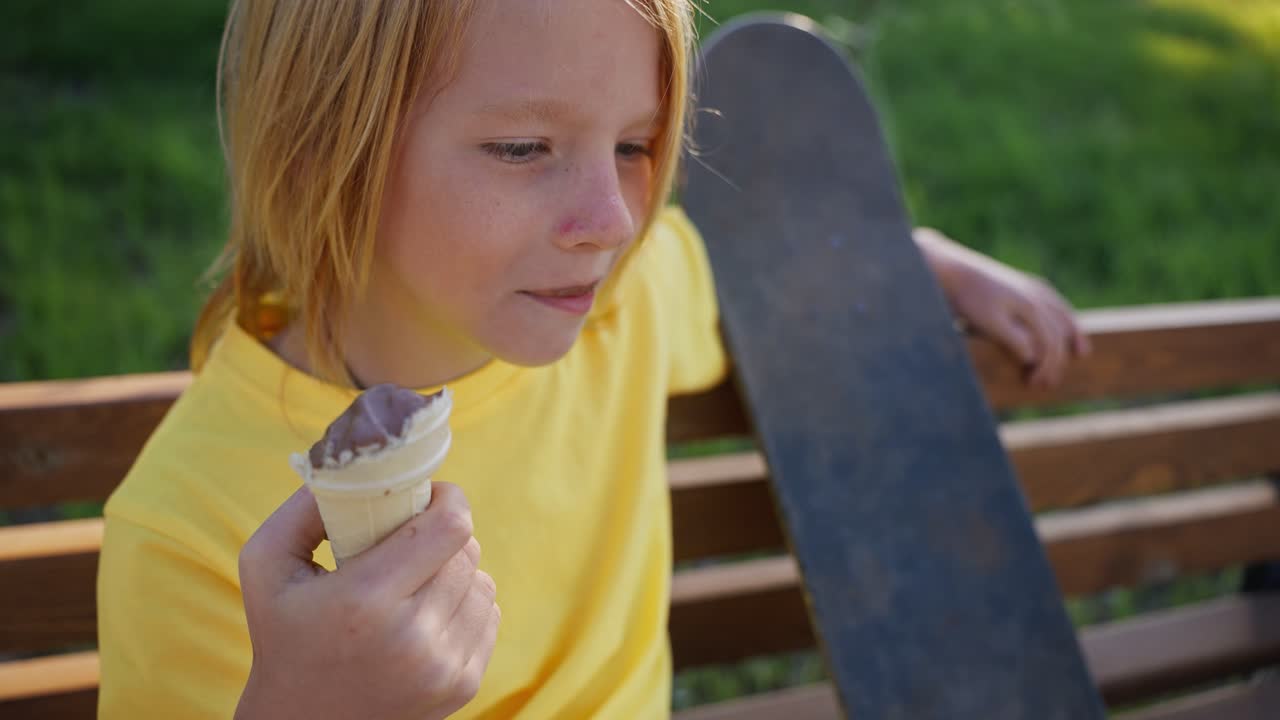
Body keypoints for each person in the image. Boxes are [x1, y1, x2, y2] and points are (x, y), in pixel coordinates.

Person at [96, 1, 1091, 718]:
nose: (611, 222)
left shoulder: (620, 305)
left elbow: (759, 271)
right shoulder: (187, 532)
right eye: (524, 148)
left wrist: (914, 257)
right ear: (320, 148)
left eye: (635, 144)